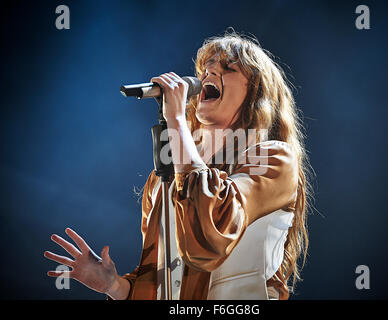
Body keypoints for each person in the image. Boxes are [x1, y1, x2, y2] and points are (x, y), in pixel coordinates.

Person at [44, 31, 311, 300]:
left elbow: (210, 238)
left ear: (257, 91)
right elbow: (158, 280)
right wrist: (115, 286)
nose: (208, 73)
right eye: (205, 68)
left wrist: (176, 120)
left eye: (227, 67)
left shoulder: (273, 158)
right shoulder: (165, 177)